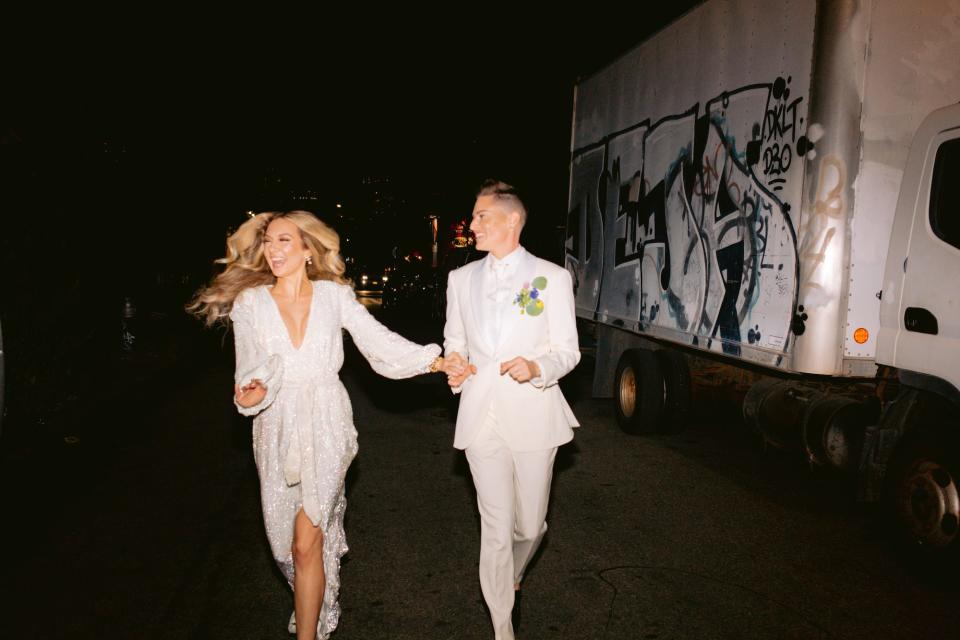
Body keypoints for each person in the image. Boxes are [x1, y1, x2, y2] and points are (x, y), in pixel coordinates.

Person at [189, 211, 449, 640]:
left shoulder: (334, 296)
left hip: (328, 418)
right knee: (283, 544)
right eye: (269, 242)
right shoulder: (250, 303)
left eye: (285, 241)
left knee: (306, 542)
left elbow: (377, 340)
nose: (273, 250)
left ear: (309, 249)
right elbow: (249, 368)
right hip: (275, 423)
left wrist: (435, 361)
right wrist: (249, 392)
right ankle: (315, 594)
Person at [443, 180, 581, 639]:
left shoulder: (553, 278)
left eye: (482, 216)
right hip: (481, 415)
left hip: (534, 414)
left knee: (530, 524)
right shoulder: (460, 280)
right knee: (496, 526)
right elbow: (455, 341)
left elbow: (568, 351)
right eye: (474, 216)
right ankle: (503, 628)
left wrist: (538, 365)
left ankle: (515, 575)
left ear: (512, 221)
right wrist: (456, 364)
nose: (473, 224)